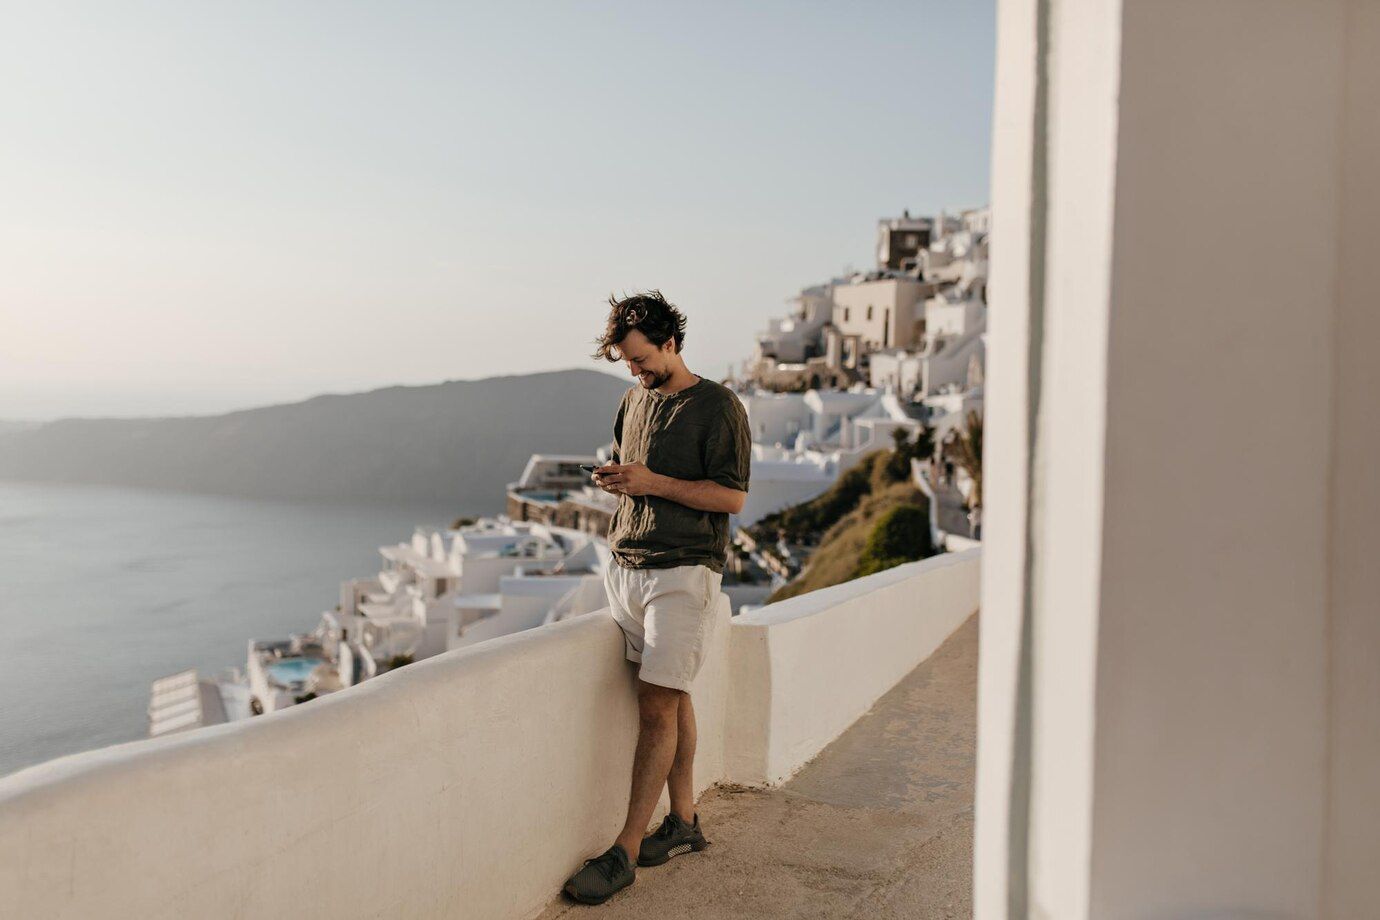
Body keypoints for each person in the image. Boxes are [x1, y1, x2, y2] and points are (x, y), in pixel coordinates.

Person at [561, 291, 751, 905]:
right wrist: (620, 479)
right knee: (670, 698)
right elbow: (633, 470)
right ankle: (686, 821)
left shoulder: (719, 407)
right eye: (627, 363)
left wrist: (650, 482)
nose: (635, 372)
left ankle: (623, 852)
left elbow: (731, 499)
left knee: (655, 705)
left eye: (642, 360)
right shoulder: (632, 400)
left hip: (683, 572)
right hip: (628, 568)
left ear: (672, 343)